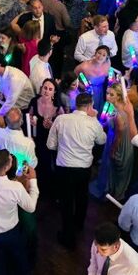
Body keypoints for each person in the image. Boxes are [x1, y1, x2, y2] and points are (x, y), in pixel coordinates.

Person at [48, 93, 107, 248]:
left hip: (64, 167)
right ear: (89, 107)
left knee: (66, 202)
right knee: (81, 197)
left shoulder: (61, 119)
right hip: (83, 168)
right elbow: (102, 140)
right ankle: (79, 225)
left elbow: (50, 145)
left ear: (76, 104)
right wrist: (95, 119)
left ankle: (68, 236)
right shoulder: (93, 123)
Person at [90, 85, 134, 201]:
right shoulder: (114, 106)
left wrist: (113, 149)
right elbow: (108, 123)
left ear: (118, 97)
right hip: (114, 137)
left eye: (111, 94)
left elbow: (119, 136)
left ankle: (115, 195)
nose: (107, 96)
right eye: (107, 93)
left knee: (114, 168)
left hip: (117, 142)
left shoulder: (117, 114)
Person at [27, 79, 65, 177]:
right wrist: (30, 120)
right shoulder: (34, 101)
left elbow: (64, 126)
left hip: (50, 139)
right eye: (45, 88)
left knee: (47, 165)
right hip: (36, 137)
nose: (46, 91)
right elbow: (29, 115)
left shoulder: (58, 106)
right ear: (41, 88)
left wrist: (52, 125)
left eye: (50, 89)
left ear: (54, 92)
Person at [75, 45, 113, 113]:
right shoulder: (85, 65)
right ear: (95, 53)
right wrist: (81, 85)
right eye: (99, 53)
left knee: (100, 110)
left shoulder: (107, 65)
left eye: (104, 55)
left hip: (101, 91)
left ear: (106, 58)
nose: (100, 56)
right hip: (88, 91)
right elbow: (75, 74)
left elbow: (111, 78)